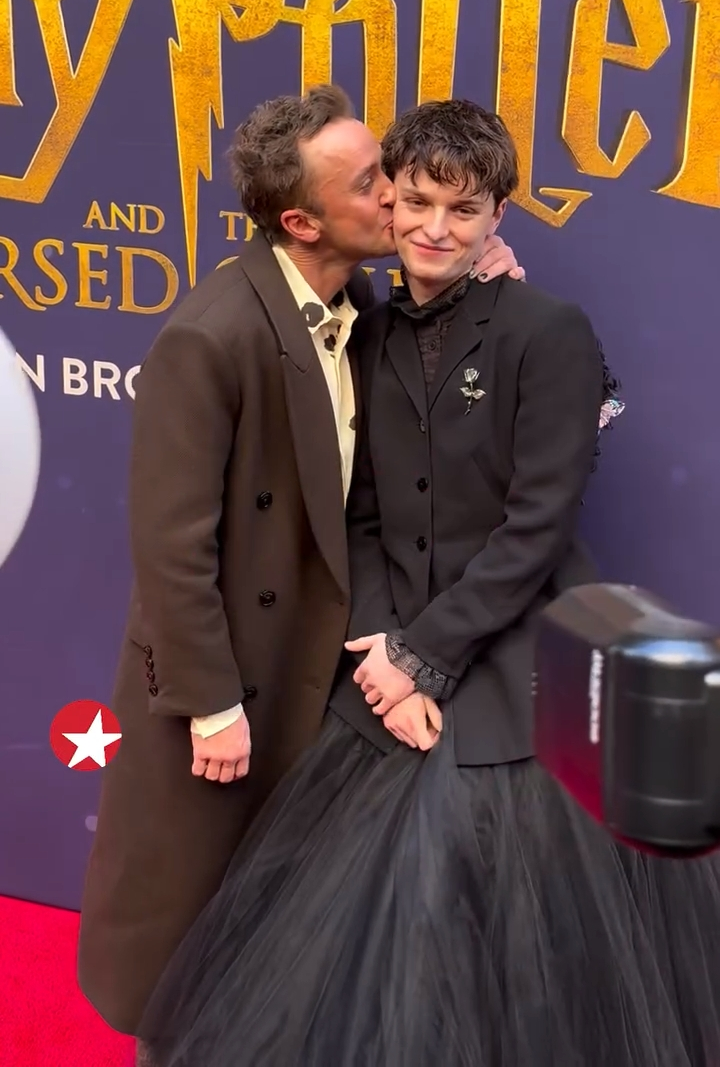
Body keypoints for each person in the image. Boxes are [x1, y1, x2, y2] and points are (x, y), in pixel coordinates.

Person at [139, 99, 720, 1067]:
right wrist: (382, 655)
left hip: (522, 658)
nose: (436, 229)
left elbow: (538, 527)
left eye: (464, 209)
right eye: (415, 202)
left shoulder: (550, 330)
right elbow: (359, 518)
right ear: (389, 203)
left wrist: (424, 658)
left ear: (499, 215)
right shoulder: (365, 334)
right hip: (387, 661)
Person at [77, 85, 522, 1054]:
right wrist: (209, 703)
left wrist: (484, 280)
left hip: (311, 677)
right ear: (302, 222)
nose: (397, 192)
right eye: (371, 183)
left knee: (269, 932)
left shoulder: (357, 304)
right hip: (225, 691)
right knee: (186, 923)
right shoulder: (211, 335)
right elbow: (170, 545)